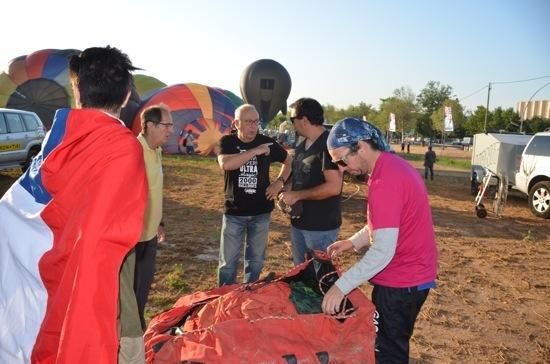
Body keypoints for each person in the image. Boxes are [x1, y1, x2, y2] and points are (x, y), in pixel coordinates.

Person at [0, 46, 148, 363]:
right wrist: (95, 335)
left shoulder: (59, 137)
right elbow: (98, 245)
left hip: (36, 289)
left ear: (76, 90)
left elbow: (17, 210)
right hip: (81, 295)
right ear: (126, 97)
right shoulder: (123, 149)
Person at [321, 117, 438, 364]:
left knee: (388, 353)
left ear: (361, 146)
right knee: (390, 345)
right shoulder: (389, 168)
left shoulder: (386, 180)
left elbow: (383, 250)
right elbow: (383, 223)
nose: (341, 168)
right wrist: (353, 242)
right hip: (410, 278)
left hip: (401, 283)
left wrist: (341, 286)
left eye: (342, 159)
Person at [217, 104, 292, 286]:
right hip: (234, 212)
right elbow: (226, 164)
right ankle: (225, 298)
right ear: (236, 123)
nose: (253, 126)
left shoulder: (266, 141)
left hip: (261, 212)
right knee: (227, 263)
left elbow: (289, 160)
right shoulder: (227, 142)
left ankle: (249, 294)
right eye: (248, 122)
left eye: (256, 121)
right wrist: (254, 152)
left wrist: (279, 183)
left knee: (256, 260)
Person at [279, 98, 343, 265]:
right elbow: (299, 177)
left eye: (293, 120)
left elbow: (334, 187)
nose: (292, 124)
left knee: (318, 274)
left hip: (320, 226)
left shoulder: (328, 146)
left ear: (304, 120)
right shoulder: (302, 146)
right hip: (299, 223)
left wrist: (297, 195)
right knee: (300, 273)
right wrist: (286, 193)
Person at [133, 104, 173, 331]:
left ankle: (136, 329)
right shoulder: (134, 151)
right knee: (131, 290)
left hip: (149, 235)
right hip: (133, 239)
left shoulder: (156, 150)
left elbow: (153, 189)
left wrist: (159, 222)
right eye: (167, 125)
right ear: (150, 125)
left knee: (143, 287)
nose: (171, 130)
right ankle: (129, 335)